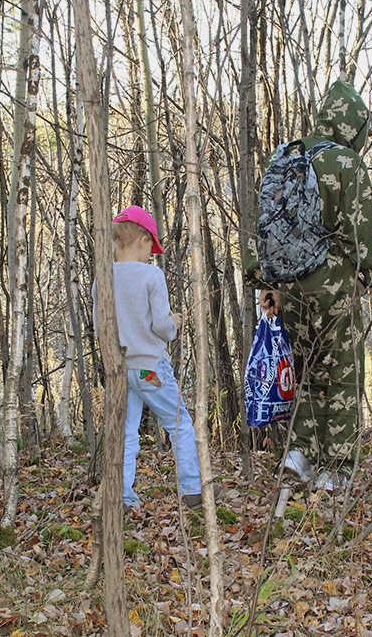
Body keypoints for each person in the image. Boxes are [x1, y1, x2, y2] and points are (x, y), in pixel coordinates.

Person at [243, 80, 372, 491]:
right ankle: (336, 471)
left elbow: (264, 225)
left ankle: (299, 455)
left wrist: (266, 282)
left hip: (288, 285)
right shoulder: (346, 162)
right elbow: (365, 232)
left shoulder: (286, 155)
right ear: (353, 125)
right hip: (333, 286)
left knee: (304, 369)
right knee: (341, 373)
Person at [92, 205, 217, 512]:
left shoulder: (103, 278)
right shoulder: (151, 275)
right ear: (142, 240)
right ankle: (191, 489)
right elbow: (160, 326)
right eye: (151, 246)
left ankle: (123, 497)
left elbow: (100, 327)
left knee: (127, 430)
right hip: (150, 371)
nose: (152, 253)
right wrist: (175, 323)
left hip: (123, 372)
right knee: (179, 424)